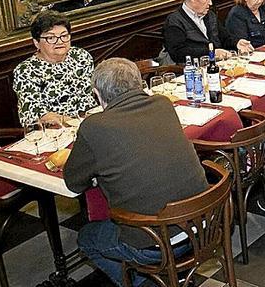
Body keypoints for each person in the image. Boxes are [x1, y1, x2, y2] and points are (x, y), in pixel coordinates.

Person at [63, 58, 207, 287]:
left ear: (98, 94)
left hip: (155, 243)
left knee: (87, 238)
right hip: (202, 226)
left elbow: (73, 182)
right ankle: (158, 279)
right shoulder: (163, 104)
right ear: (139, 84)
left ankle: (146, 283)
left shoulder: (94, 126)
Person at [13, 10, 98, 126]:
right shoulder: (26, 71)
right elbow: (36, 114)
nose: (60, 41)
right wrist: (76, 124)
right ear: (36, 43)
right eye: (51, 38)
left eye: (64, 36)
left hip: (92, 122)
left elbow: (95, 95)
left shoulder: (81, 56)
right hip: (55, 132)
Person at [163, 0, 252, 62]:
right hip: (191, 70)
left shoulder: (210, 15)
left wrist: (237, 43)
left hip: (218, 64)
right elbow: (178, 53)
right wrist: (210, 53)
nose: (210, 3)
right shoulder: (174, 21)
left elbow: (225, 38)